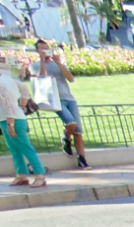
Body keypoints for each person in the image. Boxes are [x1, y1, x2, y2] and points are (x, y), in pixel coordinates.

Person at [24, 40, 87, 168]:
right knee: (72, 123)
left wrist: (58, 63)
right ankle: (66, 138)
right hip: (54, 99)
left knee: (78, 131)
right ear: (37, 51)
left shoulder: (58, 64)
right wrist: (42, 61)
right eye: (42, 49)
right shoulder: (34, 65)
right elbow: (41, 78)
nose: (45, 51)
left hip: (69, 98)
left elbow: (71, 78)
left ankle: (82, 158)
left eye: (46, 49)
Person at [0, 58, 45, 187]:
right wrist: (23, 105)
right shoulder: (8, 79)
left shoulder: (1, 82)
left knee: (25, 148)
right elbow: (24, 88)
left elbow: (8, 104)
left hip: (11, 120)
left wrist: (10, 124)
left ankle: (40, 176)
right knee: (15, 150)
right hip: (12, 119)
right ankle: (21, 175)